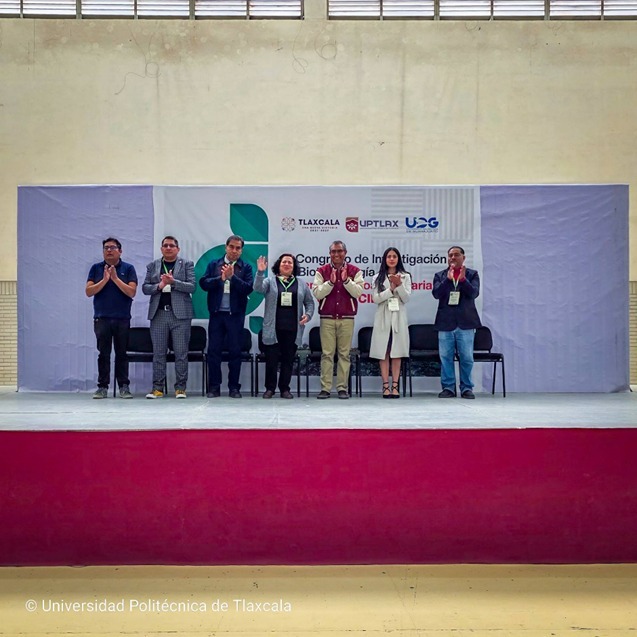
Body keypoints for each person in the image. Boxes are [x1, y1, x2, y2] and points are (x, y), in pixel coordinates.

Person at [199, 235, 254, 398]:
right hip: (216, 315)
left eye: (238, 248)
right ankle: (214, 387)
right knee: (214, 351)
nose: (234, 250)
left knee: (235, 352)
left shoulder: (246, 267)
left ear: (241, 250)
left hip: (235, 316)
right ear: (226, 247)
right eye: (231, 247)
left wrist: (232, 278)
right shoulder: (214, 264)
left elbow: (248, 288)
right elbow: (204, 284)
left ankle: (234, 388)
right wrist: (220, 278)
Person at [254, 253, 315, 399]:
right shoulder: (270, 281)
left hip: (293, 329)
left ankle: (285, 389)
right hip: (273, 329)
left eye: (290, 262)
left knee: (288, 360)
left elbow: (309, 302)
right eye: (284, 262)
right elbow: (258, 288)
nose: (287, 264)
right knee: (271, 361)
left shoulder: (301, 284)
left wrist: (308, 315)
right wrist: (260, 272)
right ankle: (270, 389)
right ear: (278, 265)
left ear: (294, 266)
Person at [142, 236, 195, 399]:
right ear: (161, 249)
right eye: (165, 245)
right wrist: (159, 285)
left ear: (178, 249)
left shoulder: (187, 264)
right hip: (159, 314)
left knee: (181, 353)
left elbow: (192, 286)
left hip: (180, 315)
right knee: (158, 353)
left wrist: (173, 282)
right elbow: (145, 288)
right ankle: (157, 388)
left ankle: (180, 388)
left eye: (172, 245)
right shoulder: (153, 266)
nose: (168, 248)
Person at [86, 237, 138, 399]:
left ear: (120, 251)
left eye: (112, 247)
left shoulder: (128, 268)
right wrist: (105, 280)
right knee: (104, 354)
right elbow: (89, 291)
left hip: (122, 318)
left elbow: (131, 292)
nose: (109, 250)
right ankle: (102, 387)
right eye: (106, 248)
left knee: (122, 354)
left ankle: (124, 386)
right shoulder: (96, 268)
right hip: (102, 318)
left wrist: (115, 278)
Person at [312, 240, 364, 399]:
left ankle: (342, 388)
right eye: (333, 251)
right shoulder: (322, 271)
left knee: (344, 354)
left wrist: (346, 281)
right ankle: (325, 388)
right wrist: (331, 283)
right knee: (327, 354)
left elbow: (358, 293)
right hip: (327, 318)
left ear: (345, 253)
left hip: (347, 318)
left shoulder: (355, 271)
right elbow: (317, 293)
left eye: (339, 251)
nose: (336, 254)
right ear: (329, 254)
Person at [432, 246, 481, 399]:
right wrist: (448, 280)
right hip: (445, 322)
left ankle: (466, 388)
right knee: (445, 357)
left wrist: (463, 280)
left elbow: (474, 293)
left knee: (466, 357)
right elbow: (436, 294)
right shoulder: (440, 275)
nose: (453, 257)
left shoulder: (472, 274)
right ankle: (448, 387)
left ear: (463, 258)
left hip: (466, 322)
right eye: (450, 255)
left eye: (456, 255)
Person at [370, 247, 411, 398]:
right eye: (389, 256)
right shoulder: (377, 277)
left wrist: (399, 285)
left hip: (398, 316)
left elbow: (406, 298)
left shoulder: (405, 276)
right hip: (383, 316)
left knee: (397, 352)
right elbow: (376, 298)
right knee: (384, 352)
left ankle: (395, 385)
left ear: (398, 259)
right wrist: (391, 289)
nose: (392, 259)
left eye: (394, 256)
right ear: (385, 259)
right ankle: (385, 385)